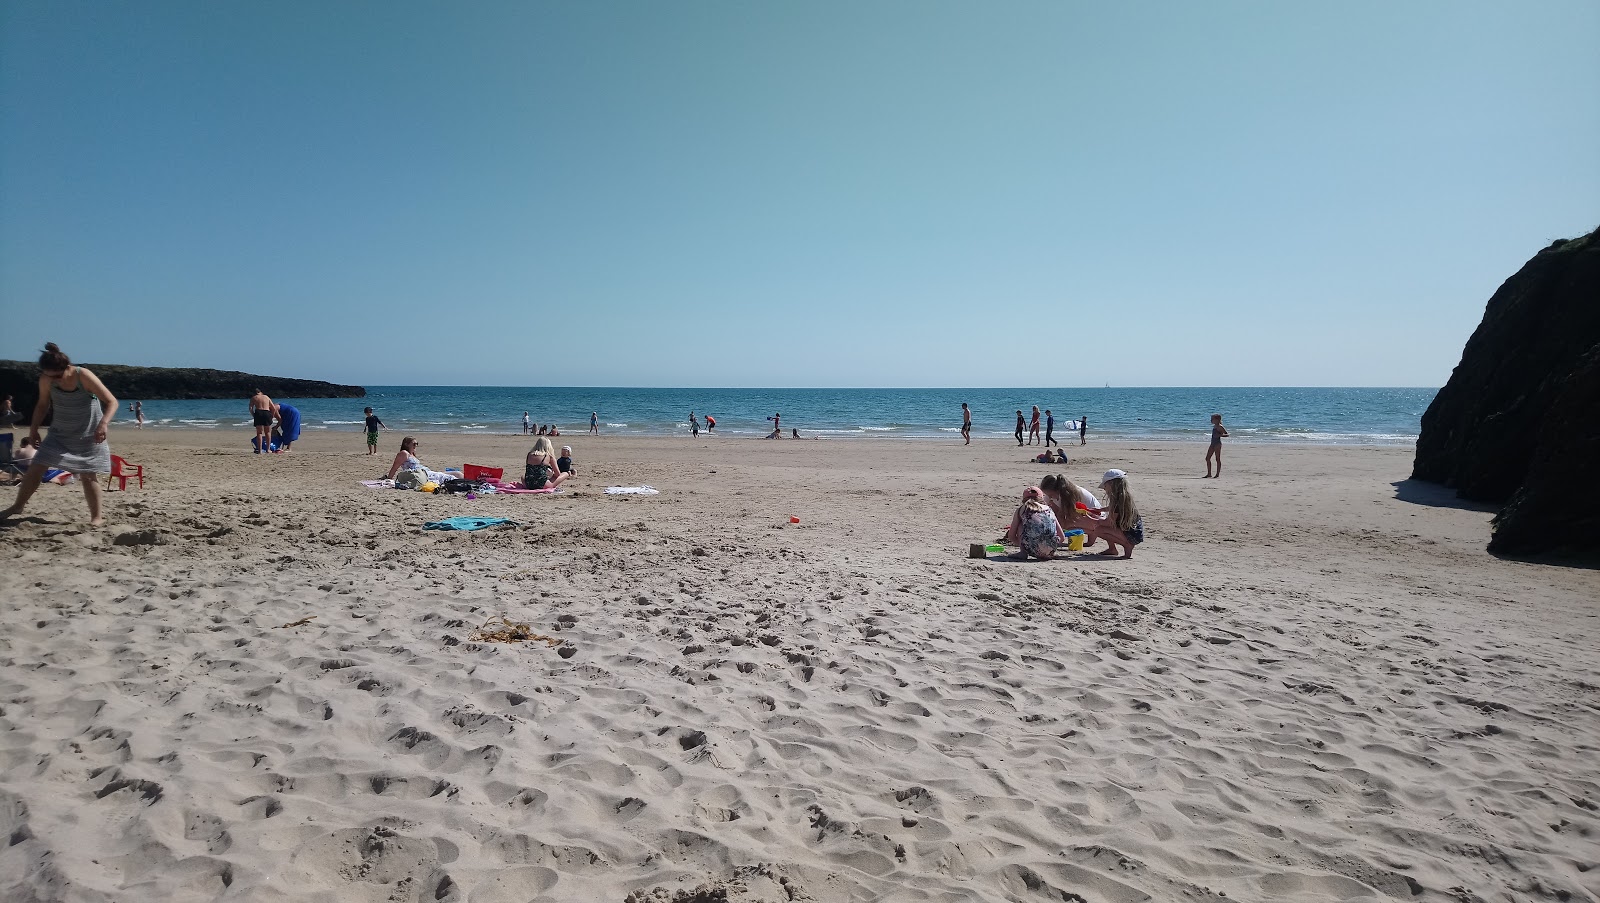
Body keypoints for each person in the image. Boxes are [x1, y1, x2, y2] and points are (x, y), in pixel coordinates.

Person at [2, 343, 118, 527]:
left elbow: (112, 402)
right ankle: (17, 506)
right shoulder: (46, 379)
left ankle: (96, 517)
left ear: (67, 367)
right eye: (50, 376)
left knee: (88, 475)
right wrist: (33, 430)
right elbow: (42, 405)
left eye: (57, 375)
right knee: (36, 468)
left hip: (89, 433)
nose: (54, 380)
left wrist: (103, 424)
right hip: (59, 433)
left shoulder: (83, 375)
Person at [1005, 486, 1066, 560]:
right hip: (1050, 549)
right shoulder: (1048, 509)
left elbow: (1011, 536)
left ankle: (1023, 552)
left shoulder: (1021, 509)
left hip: (1031, 548)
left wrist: (1023, 544)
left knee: (1021, 524)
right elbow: (1062, 537)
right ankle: (1046, 553)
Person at [1095, 469, 1144, 559]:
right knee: (1101, 526)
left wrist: (1093, 519)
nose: (1104, 488)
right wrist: (1100, 510)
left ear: (1111, 484)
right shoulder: (1123, 497)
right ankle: (1112, 549)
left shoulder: (1118, 501)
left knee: (1098, 529)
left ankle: (1127, 545)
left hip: (1131, 535)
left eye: (1105, 485)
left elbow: (1109, 522)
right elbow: (1113, 509)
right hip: (1135, 532)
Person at [386, 436, 453, 484]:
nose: (416, 446)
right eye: (414, 444)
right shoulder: (404, 453)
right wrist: (389, 479)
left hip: (425, 472)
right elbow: (394, 468)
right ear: (406, 444)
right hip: (419, 474)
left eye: (416, 444)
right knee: (448, 477)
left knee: (456, 474)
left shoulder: (412, 454)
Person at [249, 388, 274, 454]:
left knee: (259, 432)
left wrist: (254, 415)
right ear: (260, 392)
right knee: (268, 432)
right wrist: (272, 416)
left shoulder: (254, 398)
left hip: (258, 413)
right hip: (267, 412)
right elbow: (273, 408)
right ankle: (268, 449)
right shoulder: (266, 397)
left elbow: (250, 408)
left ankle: (260, 450)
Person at [1204, 413, 1229, 478]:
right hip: (1212, 443)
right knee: (1207, 458)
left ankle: (1217, 474)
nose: (1211, 420)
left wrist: (1220, 435)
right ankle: (1209, 473)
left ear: (1217, 420)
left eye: (1212, 419)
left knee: (1217, 459)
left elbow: (1227, 434)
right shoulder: (1214, 426)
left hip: (1217, 444)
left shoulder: (1220, 426)